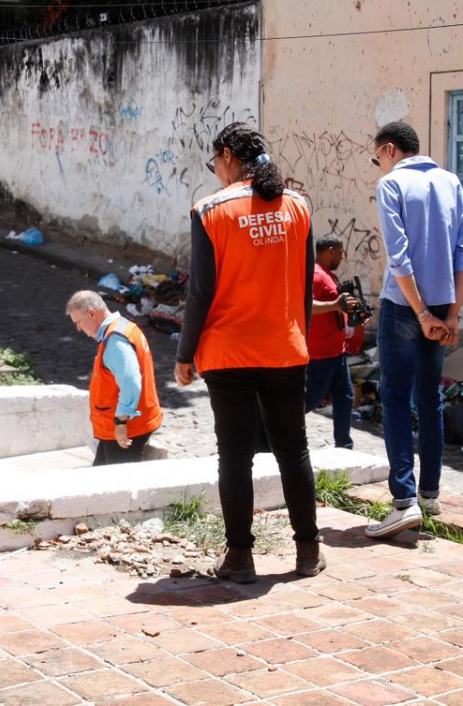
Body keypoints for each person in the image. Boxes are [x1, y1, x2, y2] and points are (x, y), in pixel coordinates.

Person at [175, 121, 326, 583]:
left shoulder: (209, 210)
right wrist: (296, 335)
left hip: (228, 352)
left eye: (214, 162)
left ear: (226, 155)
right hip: (284, 347)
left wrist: (185, 354)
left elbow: (200, 292)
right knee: (293, 449)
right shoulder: (298, 205)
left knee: (235, 456)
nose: (214, 170)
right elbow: (304, 284)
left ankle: (240, 558)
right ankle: (307, 550)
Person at [367, 121, 463, 539]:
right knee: (429, 400)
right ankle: (430, 495)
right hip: (442, 304)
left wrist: (421, 314)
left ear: (390, 149)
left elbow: (399, 255)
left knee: (395, 401)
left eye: (376, 157)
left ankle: (404, 501)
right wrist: (450, 314)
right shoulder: (451, 182)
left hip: (403, 307)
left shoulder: (391, 185)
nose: (377, 165)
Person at [66, 290, 162, 465]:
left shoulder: (115, 341)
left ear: (92, 313)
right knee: (101, 476)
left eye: (79, 322)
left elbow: (131, 382)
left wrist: (120, 422)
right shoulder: (124, 327)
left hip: (127, 428)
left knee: (117, 485)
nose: (78, 328)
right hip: (125, 423)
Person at [306, 234, 361, 450]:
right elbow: (306, 306)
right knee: (310, 400)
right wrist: (336, 306)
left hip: (337, 351)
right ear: (329, 251)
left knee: (345, 397)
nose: (341, 257)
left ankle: (344, 445)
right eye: (339, 253)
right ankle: (273, 430)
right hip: (320, 354)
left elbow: (338, 305)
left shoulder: (328, 275)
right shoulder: (316, 275)